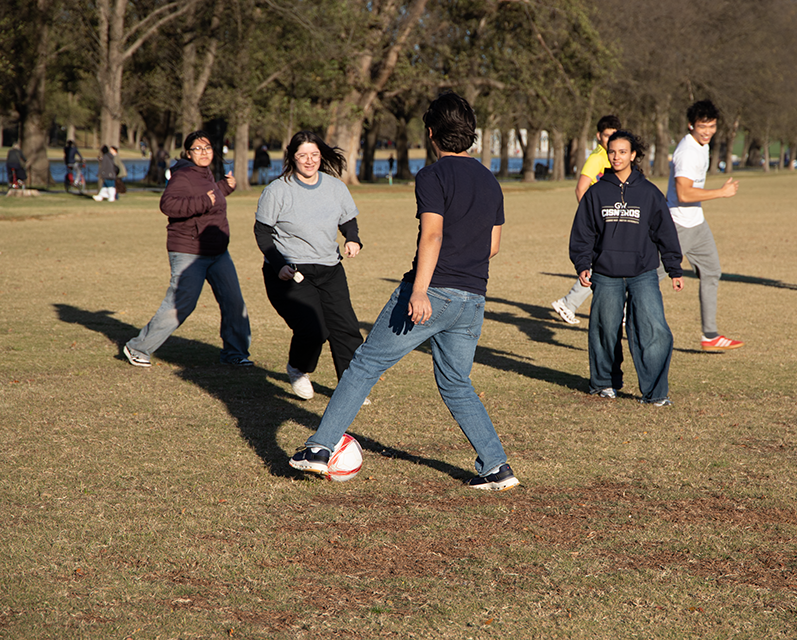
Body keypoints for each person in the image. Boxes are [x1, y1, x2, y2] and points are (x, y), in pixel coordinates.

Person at [289, 92, 520, 491]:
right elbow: (493, 246)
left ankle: (320, 448)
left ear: (431, 133)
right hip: (473, 298)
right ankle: (497, 467)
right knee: (456, 382)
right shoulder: (490, 179)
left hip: (433, 292)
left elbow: (431, 234)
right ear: (471, 134)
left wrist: (421, 291)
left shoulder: (432, 176)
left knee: (363, 365)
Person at [570, 131, 684, 405]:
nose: (616, 157)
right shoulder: (596, 193)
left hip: (643, 273)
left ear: (633, 155)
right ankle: (604, 383)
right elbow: (583, 233)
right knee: (604, 329)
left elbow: (665, 232)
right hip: (606, 274)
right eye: (612, 152)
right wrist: (583, 264)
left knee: (654, 330)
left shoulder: (649, 193)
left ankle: (656, 393)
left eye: (623, 152)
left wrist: (674, 268)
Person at [123, 130, 252, 368]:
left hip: (217, 252)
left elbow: (209, 195)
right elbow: (168, 204)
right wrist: (207, 200)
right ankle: (138, 347)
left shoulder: (205, 173)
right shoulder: (183, 175)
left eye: (207, 148)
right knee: (182, 302)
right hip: (189, 251)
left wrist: (224, 187)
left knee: (233, 301)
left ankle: (235, 353)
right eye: (197, 149)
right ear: (188, 152)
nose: (203, 153)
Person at [255, 131, 367, 402]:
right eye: (302, 155)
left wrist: (352, 239)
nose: (309, 160)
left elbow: (348, 220)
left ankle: (350, 388)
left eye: (314, 154)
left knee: (347, 329)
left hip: (329, 270)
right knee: (313, 329)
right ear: (292, 157)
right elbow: (262, 231)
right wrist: (279, 264)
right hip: (290, 273)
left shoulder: (335, 187)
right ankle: (298, 368)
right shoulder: (277, 190)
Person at [662, 100, 743, 352]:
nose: (707, 131)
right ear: (690, 125)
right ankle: (620, 310)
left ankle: (710, 336)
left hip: (697, 223)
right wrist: (721, 193)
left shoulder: (702, 145)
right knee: (651, 277)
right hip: (677, 224)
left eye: (712, 126)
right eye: (702, 126)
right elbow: (684, 194)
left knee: (711, 271)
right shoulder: (686, 152)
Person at [551, 114, 621, 325]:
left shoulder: (611, 156)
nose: (610, 139)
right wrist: (591, 218)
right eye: (607, 135)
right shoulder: (597, 158)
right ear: (599, 136)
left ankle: (570, 303)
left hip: (611, 219)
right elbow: (581, 188)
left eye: (614, 135)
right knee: (605, 264)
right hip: (600, 221)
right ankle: (569, 303)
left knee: (610, 263)